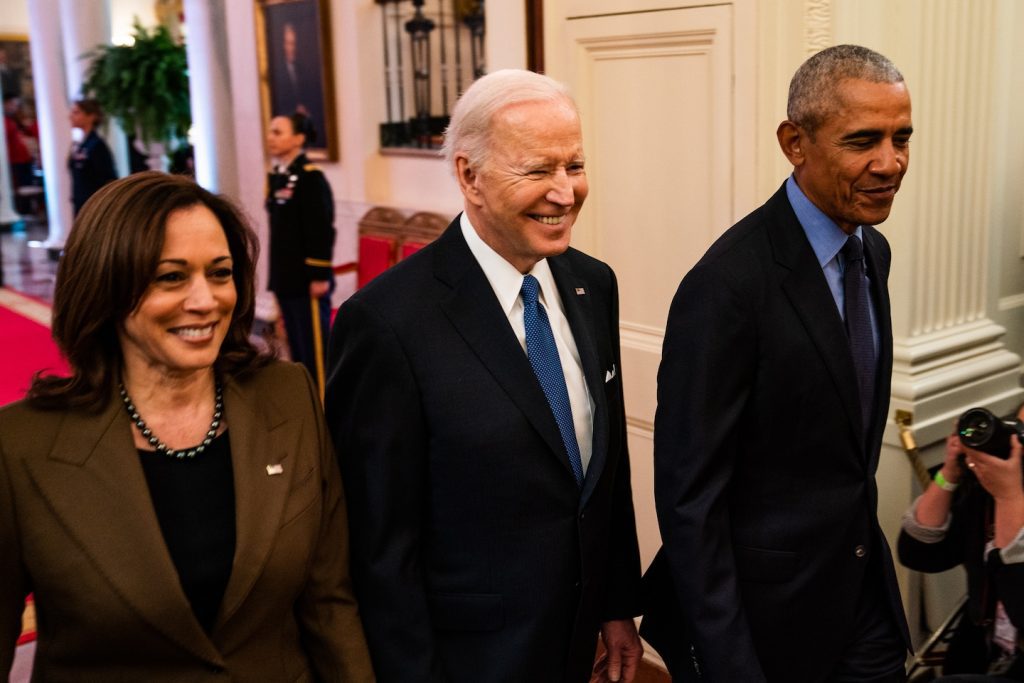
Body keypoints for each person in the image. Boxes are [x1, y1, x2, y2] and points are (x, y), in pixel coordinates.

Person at [325, 69, 642, 682]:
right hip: (465, 658)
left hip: (575, 643)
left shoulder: (592, 284)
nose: (565, 192)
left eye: (574, 165)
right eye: (538, 170)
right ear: (470, 176)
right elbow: (376, 544)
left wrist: (615, 604)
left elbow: (607, 472)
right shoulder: (385, 323)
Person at [0, 172, 373, 681]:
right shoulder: (20, 446)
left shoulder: (288, 397)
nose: (205, 300)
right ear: (107, 286)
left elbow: (330, 602)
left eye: (220, 273)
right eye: (171, 277)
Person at [643, 44, 915, 682]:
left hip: (860, 600)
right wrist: (729, 661)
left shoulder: (872, 251)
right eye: (862, 141)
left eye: (901, 137)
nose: (890, 163)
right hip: (765, 627)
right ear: (795, 143)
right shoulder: (726, 286)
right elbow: (690, 497)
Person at [898, 414, 1024, 681]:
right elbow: (919, 555)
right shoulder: (991, 489)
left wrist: (1010, 498)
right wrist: (950, 473)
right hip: (981, 648)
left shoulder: (1007, 491)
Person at [265, 112, 335, 397]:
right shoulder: (280, 176)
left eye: (278, 132)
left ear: (298, 139)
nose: (270, 137)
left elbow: (320, 228)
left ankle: (325, 407)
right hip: (287, 278)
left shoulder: (310, 178)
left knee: (315, 353)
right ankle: (305, 404)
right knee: (296, 350)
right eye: (270, 131)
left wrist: (319, 274)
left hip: (307, 281)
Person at [68, 98, 117, 215]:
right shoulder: (81, 144)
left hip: (94, 206)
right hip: (81, 203)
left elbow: (107, 178)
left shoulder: (97, 145)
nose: (71, 116)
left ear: (91, 116)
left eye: (77, 112)